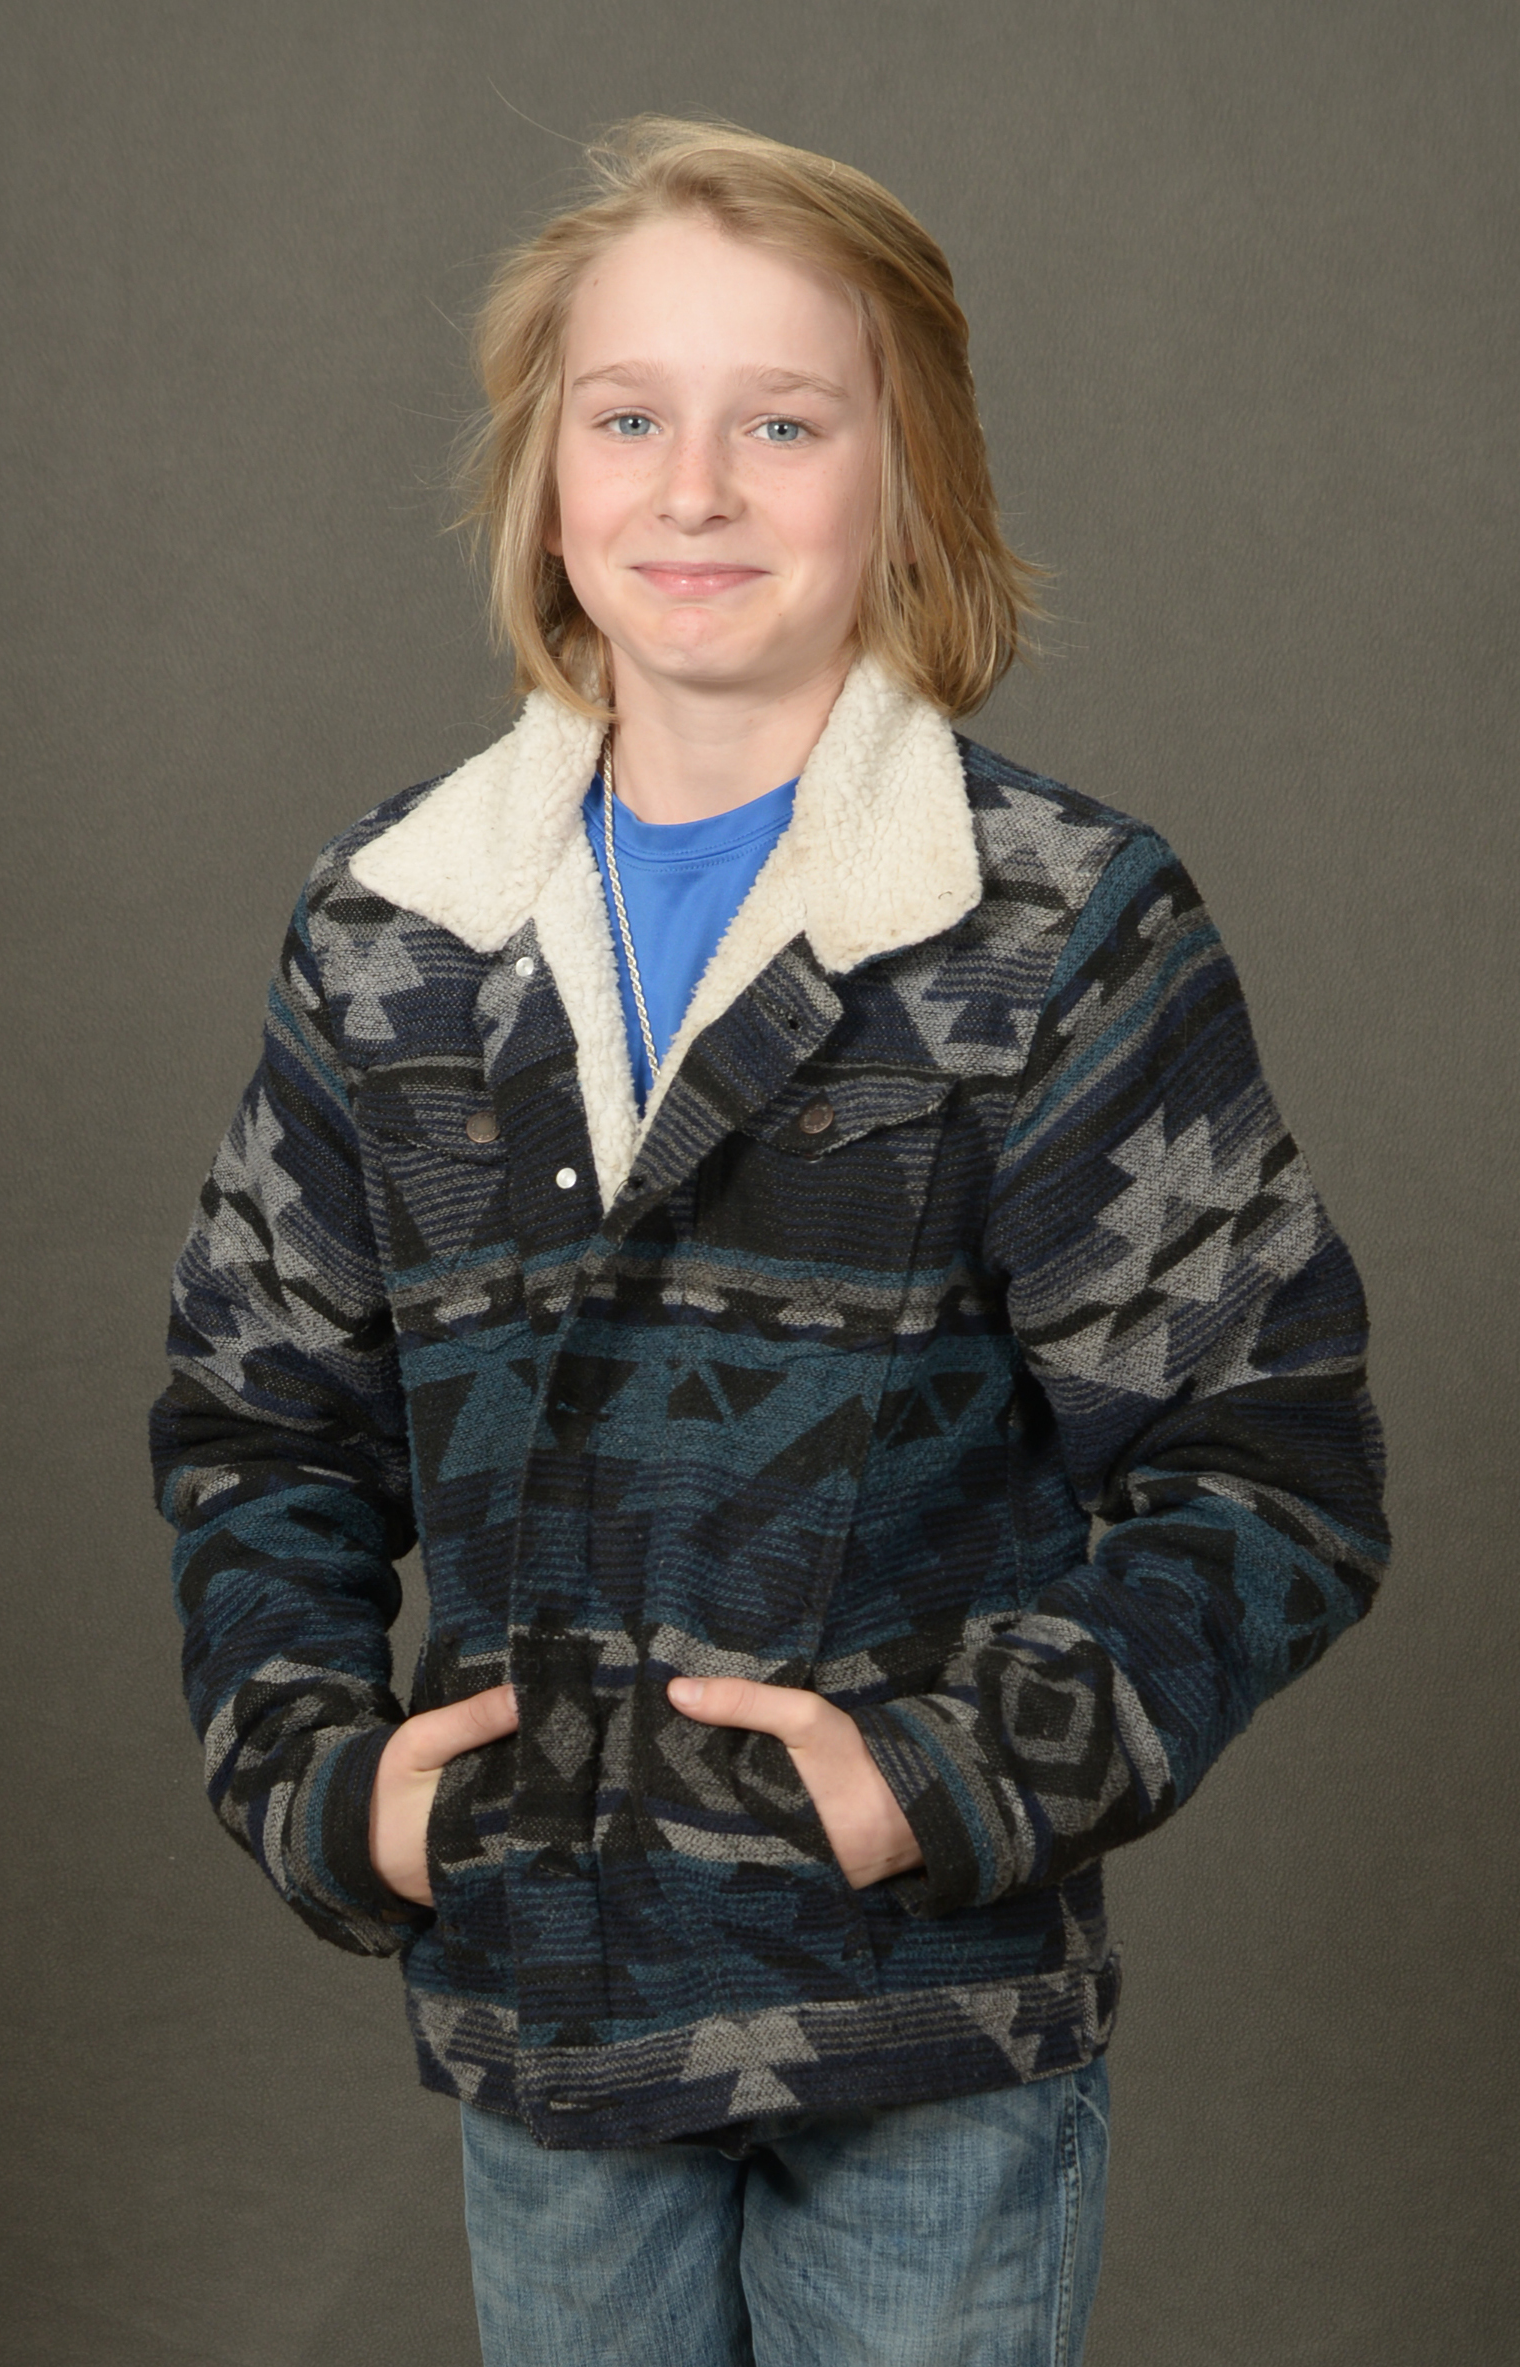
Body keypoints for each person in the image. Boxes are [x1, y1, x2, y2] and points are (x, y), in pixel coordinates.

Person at [150, 117, 1389, 2367]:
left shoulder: (1054, 932)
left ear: (905, 478)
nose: (694, 490)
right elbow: (259, 1428)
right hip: (542, 2021)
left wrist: (936, 1778)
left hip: (921, 2024)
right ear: (544, 479)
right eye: (627, 418)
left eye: (782, 424)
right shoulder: (389, 936)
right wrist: (328, 1785)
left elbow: (1265, 1458)